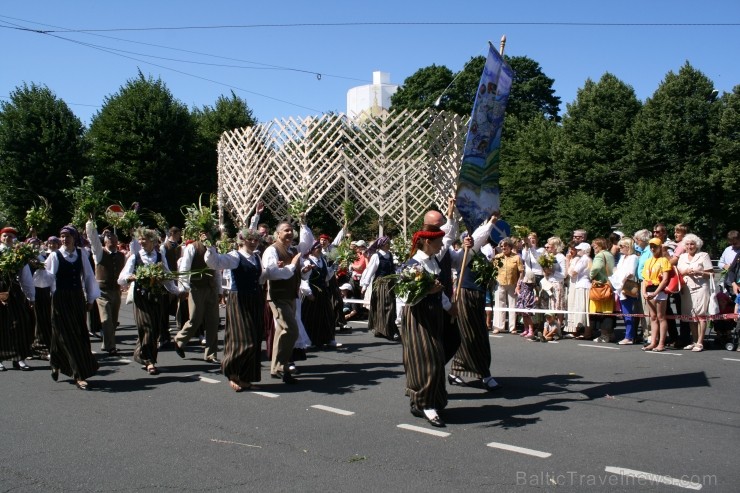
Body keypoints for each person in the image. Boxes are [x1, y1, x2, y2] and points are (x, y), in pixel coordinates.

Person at [400, 225, 458, 428]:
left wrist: (449, 307)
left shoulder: (433, 261)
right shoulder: (412, 265)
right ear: (427, 242)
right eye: (438, 241)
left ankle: (425, 400)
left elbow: (439, 290)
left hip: (435, 316)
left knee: (438, 356)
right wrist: (428, 291)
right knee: (427, 360)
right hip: (418, 317)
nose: (441, 244)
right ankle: (426, 404)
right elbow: (405, 296)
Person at [204, 228, 266, 391]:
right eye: (250, 239)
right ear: (242, 240)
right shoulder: (235, 256)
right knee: (243, 338)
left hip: (255, 298)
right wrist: (210, 247)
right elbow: (214, 263)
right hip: (239, 299)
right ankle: (231, 371)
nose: (253, 242)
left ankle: (245, 376)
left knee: (256, 338)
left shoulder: (257, 257)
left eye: (256, 240)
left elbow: (260, 277)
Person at [41, 225, 100, 389]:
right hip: (60, 299)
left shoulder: (82, 254)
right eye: (61, 236)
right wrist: (39, 271)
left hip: (76, 299)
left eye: (67, 236)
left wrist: (90, 298)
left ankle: (56, 361)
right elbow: (47, 278)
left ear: (74, 238)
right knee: (66, 336)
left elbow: (88, 276)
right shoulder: (54, 256)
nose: (64, 239)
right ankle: (78, 374)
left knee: (78, 334)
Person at [118, 227, 181, 375]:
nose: (141, 242)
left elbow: (167, 276)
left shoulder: (159, 256)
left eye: (144, 239)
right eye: (140, 239)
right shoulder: (135, 258)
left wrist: (177, 291)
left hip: (157, 297)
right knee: (147, 327)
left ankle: (141, 354)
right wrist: (131, 277)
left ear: (152, 241)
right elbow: (121, 279)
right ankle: (149, 361)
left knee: (154, 328)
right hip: (141, 297)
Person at [448, 216, 500, 391]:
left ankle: (457, 371)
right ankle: (484, 373)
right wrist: (491, 221)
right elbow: (478, 237)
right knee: (469, 334)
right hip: (465, 293)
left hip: (477, 294)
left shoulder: (482, 253)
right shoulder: (466, 254)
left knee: (478, 334)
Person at [262, 221, 312, 384]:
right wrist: (291, 266)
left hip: (291, 296)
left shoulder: (292, 250)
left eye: (291, 230)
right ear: (277, 234)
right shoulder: (272, 250)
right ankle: (282, 366)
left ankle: (277, 368)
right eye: (286, 231)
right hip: (277, 296)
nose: (290, 233)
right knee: (291, 329)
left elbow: (308, 243)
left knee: (282, 332)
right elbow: (271, 273)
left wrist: (302, 271)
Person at [173, 230, 221, 364]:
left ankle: (211, 354)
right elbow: (185, 268)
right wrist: (184, 288)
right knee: (195, 318)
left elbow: (216, 270)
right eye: (203, 232)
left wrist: (220, 290)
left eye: (208, 232)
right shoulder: (192, 247)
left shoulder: (213, 248)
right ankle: (179, 339)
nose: (206, 235)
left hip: (211, 288)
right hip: (196, 288)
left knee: (213, 321)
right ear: (199, 234)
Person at [423, 197, 459, 362]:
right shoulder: (419, 260)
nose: (442, 239)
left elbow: (448, 237)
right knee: (430, 348)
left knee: (451, 340)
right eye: (437, 227)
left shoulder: (437, 251)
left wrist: (451, 216)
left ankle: (436, 370)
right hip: (425, 312)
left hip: (440, 304)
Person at [86, 220, 126, 355]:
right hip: (102, 291)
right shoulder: (99, 253)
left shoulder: (121, 255)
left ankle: (106, 343)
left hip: (116, 290)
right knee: (107, 319)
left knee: (113, 320)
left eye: (115, 242)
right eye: (111, 242)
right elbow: (92, 239)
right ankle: (110, 346)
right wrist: (90, 222)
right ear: (105, 243)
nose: (114, 244)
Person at [0, 227, 35, 372]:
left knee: (20, 323)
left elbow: (25, 276)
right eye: (5, 236)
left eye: (11, 236)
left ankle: (20, 358)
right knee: (1, 325)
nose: (7, 238)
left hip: (14, 291)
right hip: (0, 289)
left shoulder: (19, 253)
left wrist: (31, 296)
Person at [677, 234, 713, 352]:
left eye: (692, 244)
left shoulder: (703, 255)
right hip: (686, 288)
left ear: (697, 245)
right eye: (687, 244)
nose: (689, 246)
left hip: (701, 287)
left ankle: (700, 342)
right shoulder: (682, 257)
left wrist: (700, 272)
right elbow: (678, 273)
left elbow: (711, 274)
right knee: (690, 315)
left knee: (700, 314)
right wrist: (686, 271)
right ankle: (694, 340)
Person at [360, 236, 397, 340]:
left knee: (391, 307)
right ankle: (382, 329)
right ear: (382, 244)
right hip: (380, 284)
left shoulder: (390, 255)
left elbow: (392, 269)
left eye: (389, 243)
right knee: (383, 307)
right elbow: (370, 271)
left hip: (390, 283)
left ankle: (387, 329)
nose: (389, 245)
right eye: (387, 243)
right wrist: (365, 285)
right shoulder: (376, 256)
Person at [641, 238, 672, 352]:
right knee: (653, 317)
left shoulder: (664, 260)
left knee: (661, 317)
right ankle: (653, 342)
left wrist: (656, 292)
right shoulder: (648, 261)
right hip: (649, 290)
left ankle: (661, 343)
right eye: (651, 247)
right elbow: (645, 278)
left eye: (655, 246)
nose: (653, 249)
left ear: (660, 247)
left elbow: (665, 279)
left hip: (659, 290)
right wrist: (644, 292)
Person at [491, 238, 523, 334]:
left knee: (512, 305)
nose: (503, 247)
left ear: (510, 246)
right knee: (499, 304)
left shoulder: (516, 257)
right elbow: (493, 271)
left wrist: (518, 284)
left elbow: (521, 272)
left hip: (512, 283)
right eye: (501, 246)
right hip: (499, 283)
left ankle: (512, 327)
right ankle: (498, 326)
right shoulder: (497, 257)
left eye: (505, 245)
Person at [612, 237, 639, 345]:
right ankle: (629, 335)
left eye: (622, 246)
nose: (620, 248)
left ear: (628, 247)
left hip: (626, 286)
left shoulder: (633, 257)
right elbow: (618, 270)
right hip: (619, 286)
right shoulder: (623, 257)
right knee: (624, 312)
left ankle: (629, 336)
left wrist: (623, 281)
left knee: (628, 312)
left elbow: (631, 272)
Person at [589, 237, 616, 343]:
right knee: (609, 311)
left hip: (601, 286)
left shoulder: (599, 255)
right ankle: (610, 334)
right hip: (609, 285)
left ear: (600, 245)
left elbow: (596, 268)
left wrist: (591, 275)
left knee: (601, 312)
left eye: (594, 245)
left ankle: (604, 335)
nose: (593, 247)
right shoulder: (609, 254)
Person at [568, 242, 592, 338]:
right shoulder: (588, 259)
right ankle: (587, 331)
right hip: (585, 284)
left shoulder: (583, 260)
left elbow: (573, 272)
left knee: (584, 309)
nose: (577, 251)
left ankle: (587, 332)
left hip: (582, 285)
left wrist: (569, 266)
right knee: (585, 309)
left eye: (579, 249)